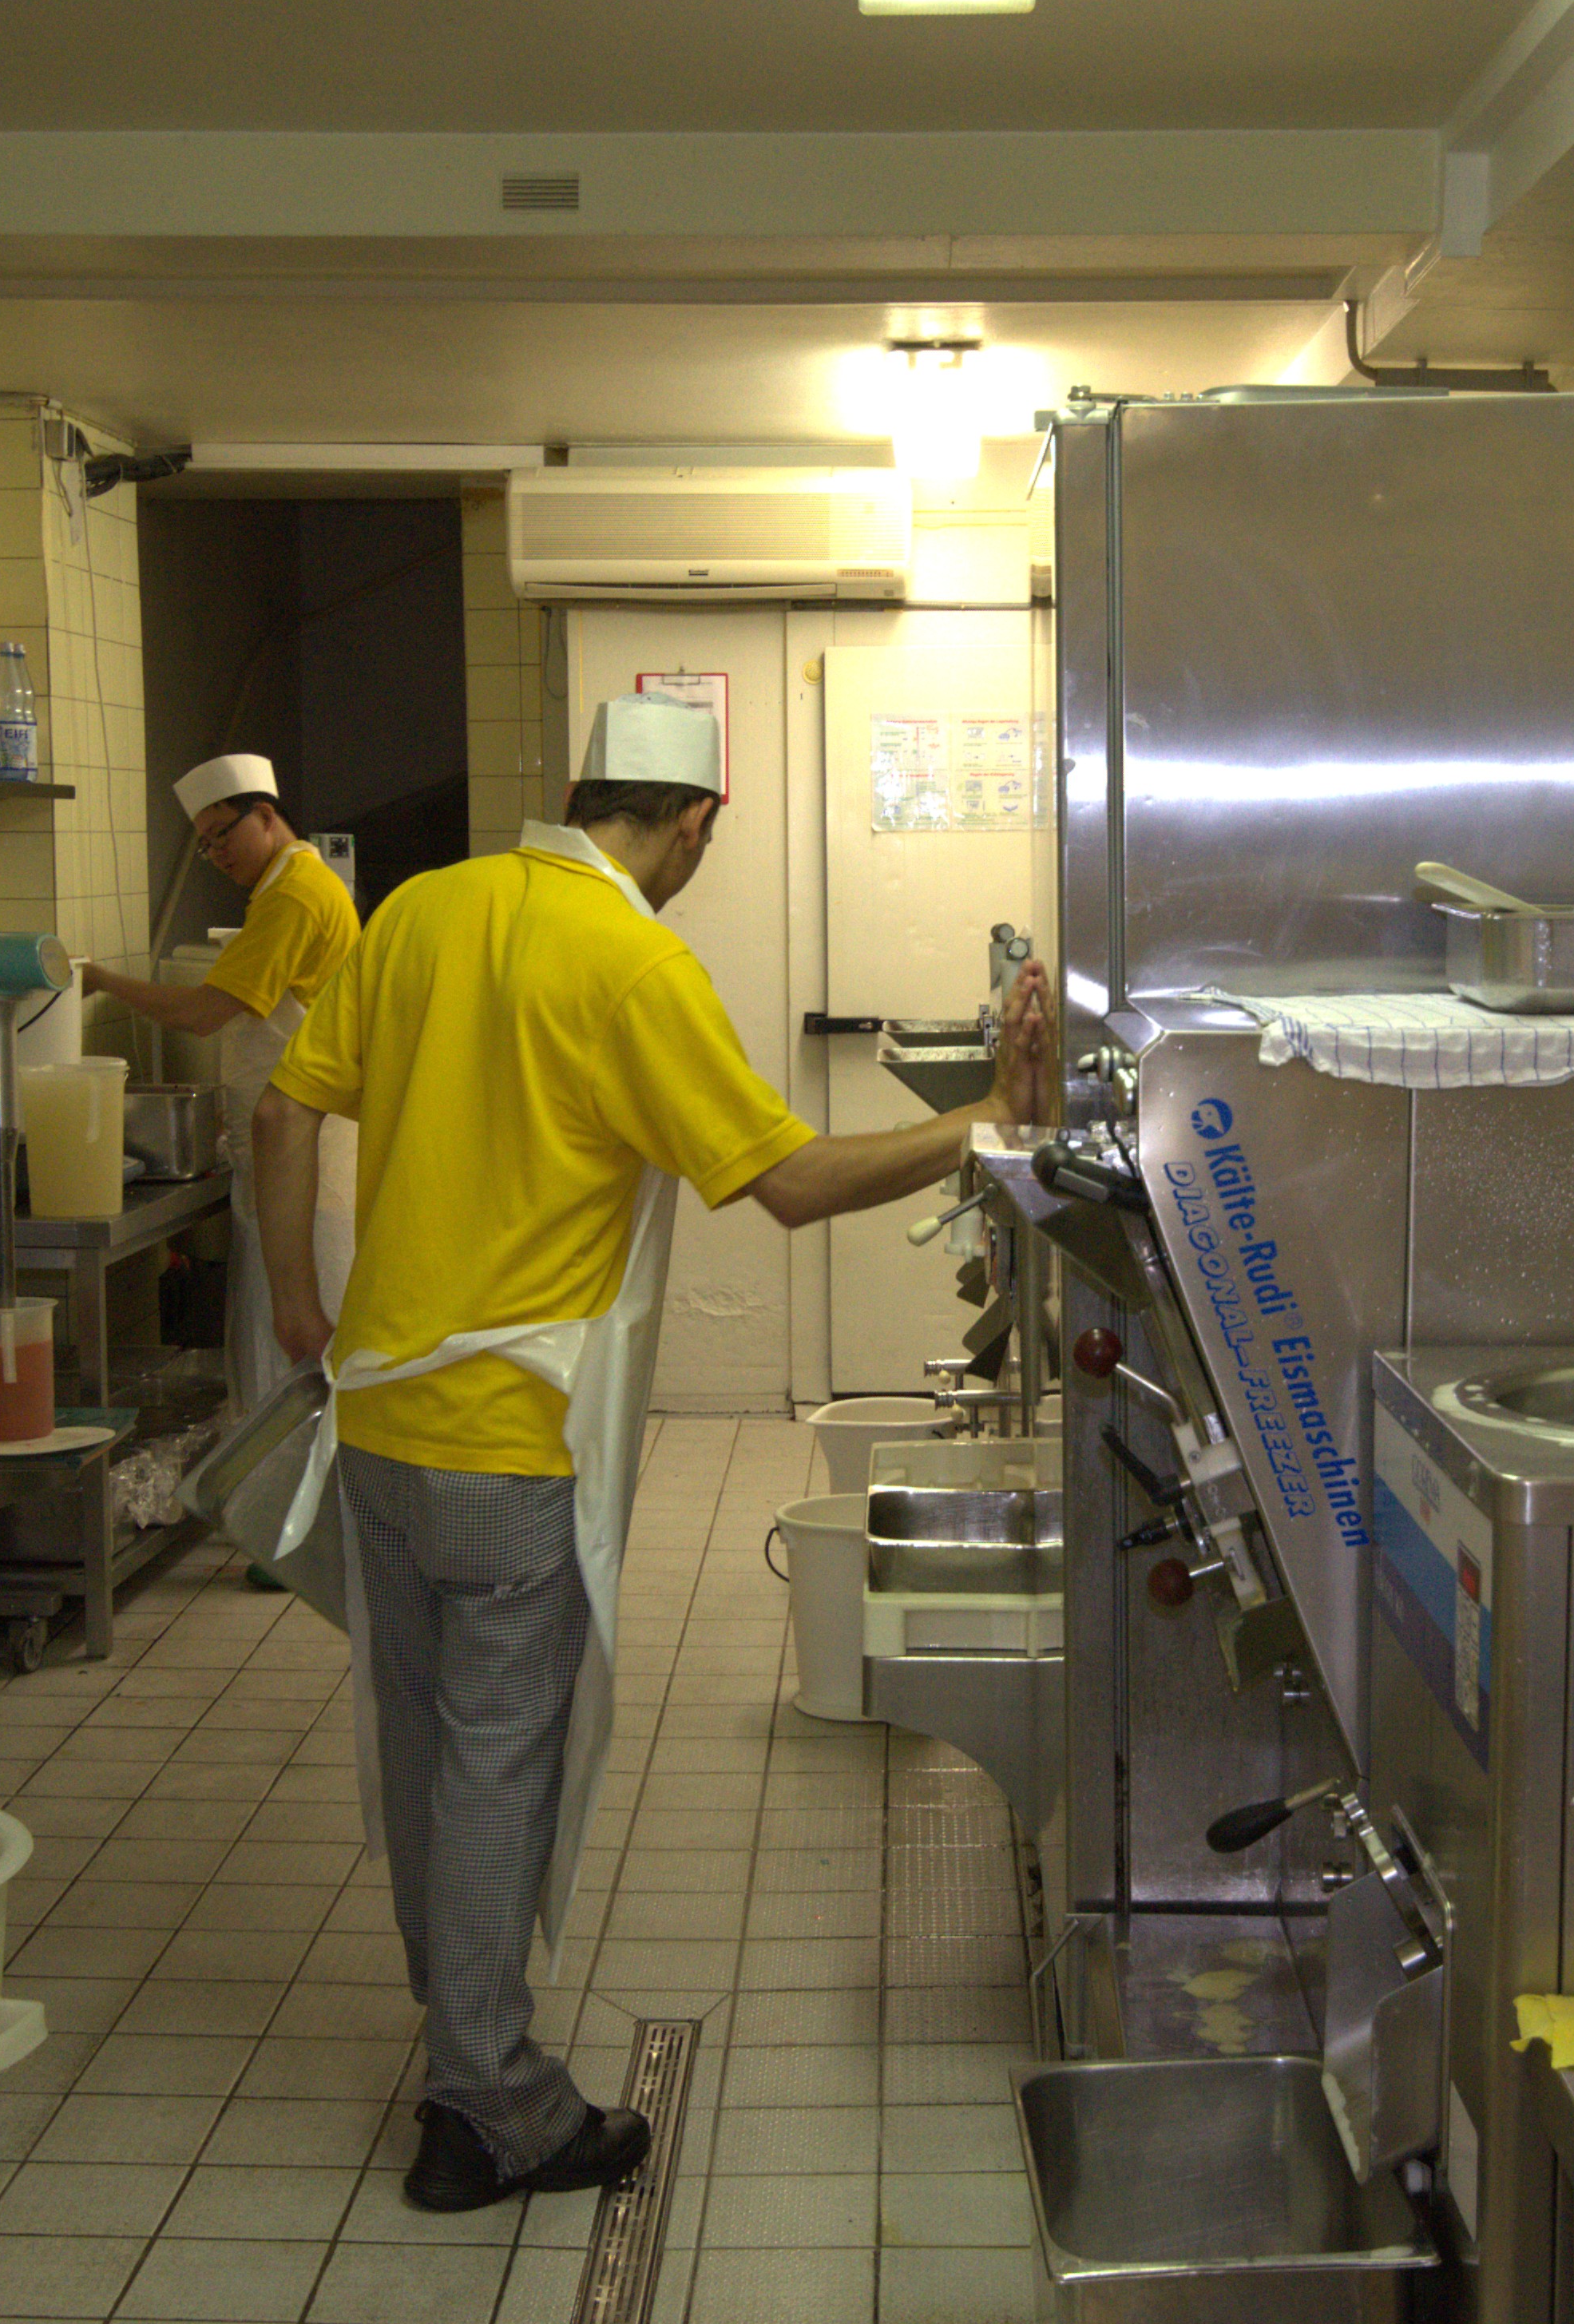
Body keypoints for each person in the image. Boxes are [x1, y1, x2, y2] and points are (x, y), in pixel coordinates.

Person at [252, 694, 1053, 2211]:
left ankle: (460, 2030)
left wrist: (300, 1300)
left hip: (375, 1430)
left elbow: (282, 1114)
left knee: (425, 1746)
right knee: (497, 1767)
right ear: (692, 825)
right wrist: (987, 1124)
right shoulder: (632, 960)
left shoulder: (421, 912)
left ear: (581, 790)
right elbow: (797, 1184)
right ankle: (486, 2103)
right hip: (507, 1446)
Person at [78, 755, 359, 1444]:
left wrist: (104, 982)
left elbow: (205, 1013)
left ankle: (292, 1511)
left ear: (265, 816)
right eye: (204, 844)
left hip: (307, 1145)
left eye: (221, 836)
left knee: (293, 1327)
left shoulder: (294, 895)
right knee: (289, 1321)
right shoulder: (287, 888)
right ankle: (289, 1498)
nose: (214, 854)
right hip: (299, 1136)